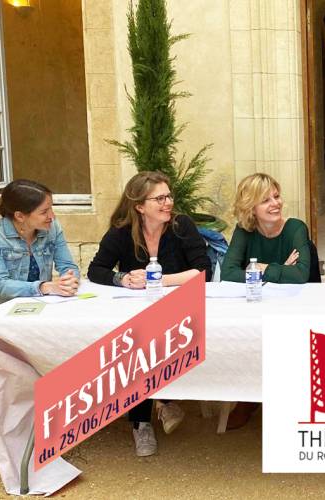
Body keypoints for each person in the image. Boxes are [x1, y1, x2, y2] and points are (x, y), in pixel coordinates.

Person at [87, 171, 211, 457]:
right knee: (135, 340)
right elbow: (97, 270)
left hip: (179, 308)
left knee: (156, 336)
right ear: (140, 206)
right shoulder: (121, 231)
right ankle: (143, 421)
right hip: (134, 310)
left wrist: (159, 280)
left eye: (168, 196)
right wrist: (123, 279)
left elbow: (202, 271)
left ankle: (163, 400)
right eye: (159, 198)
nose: (168, 203)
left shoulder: (181, 226)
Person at [220, 172, 311, 429]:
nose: (276, 203)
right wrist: (278, 268)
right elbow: (228, 274)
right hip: (256, 306)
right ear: (251, 208)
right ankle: (249, 399)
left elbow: (301, 274)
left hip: (295, 307)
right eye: (265, 200)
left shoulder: (295, 228)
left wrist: (258, 267)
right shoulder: (244, 231)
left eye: (277, 196)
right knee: (243, 337)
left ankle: (286, 399)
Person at [0, 180, 79, 318]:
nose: (52, 216)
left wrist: (69, 280)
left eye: (51, 208)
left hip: (41, 310)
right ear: (20, 216)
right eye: (44, 212)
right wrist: (45, 287)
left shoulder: (53, 228)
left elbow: (68, 266)